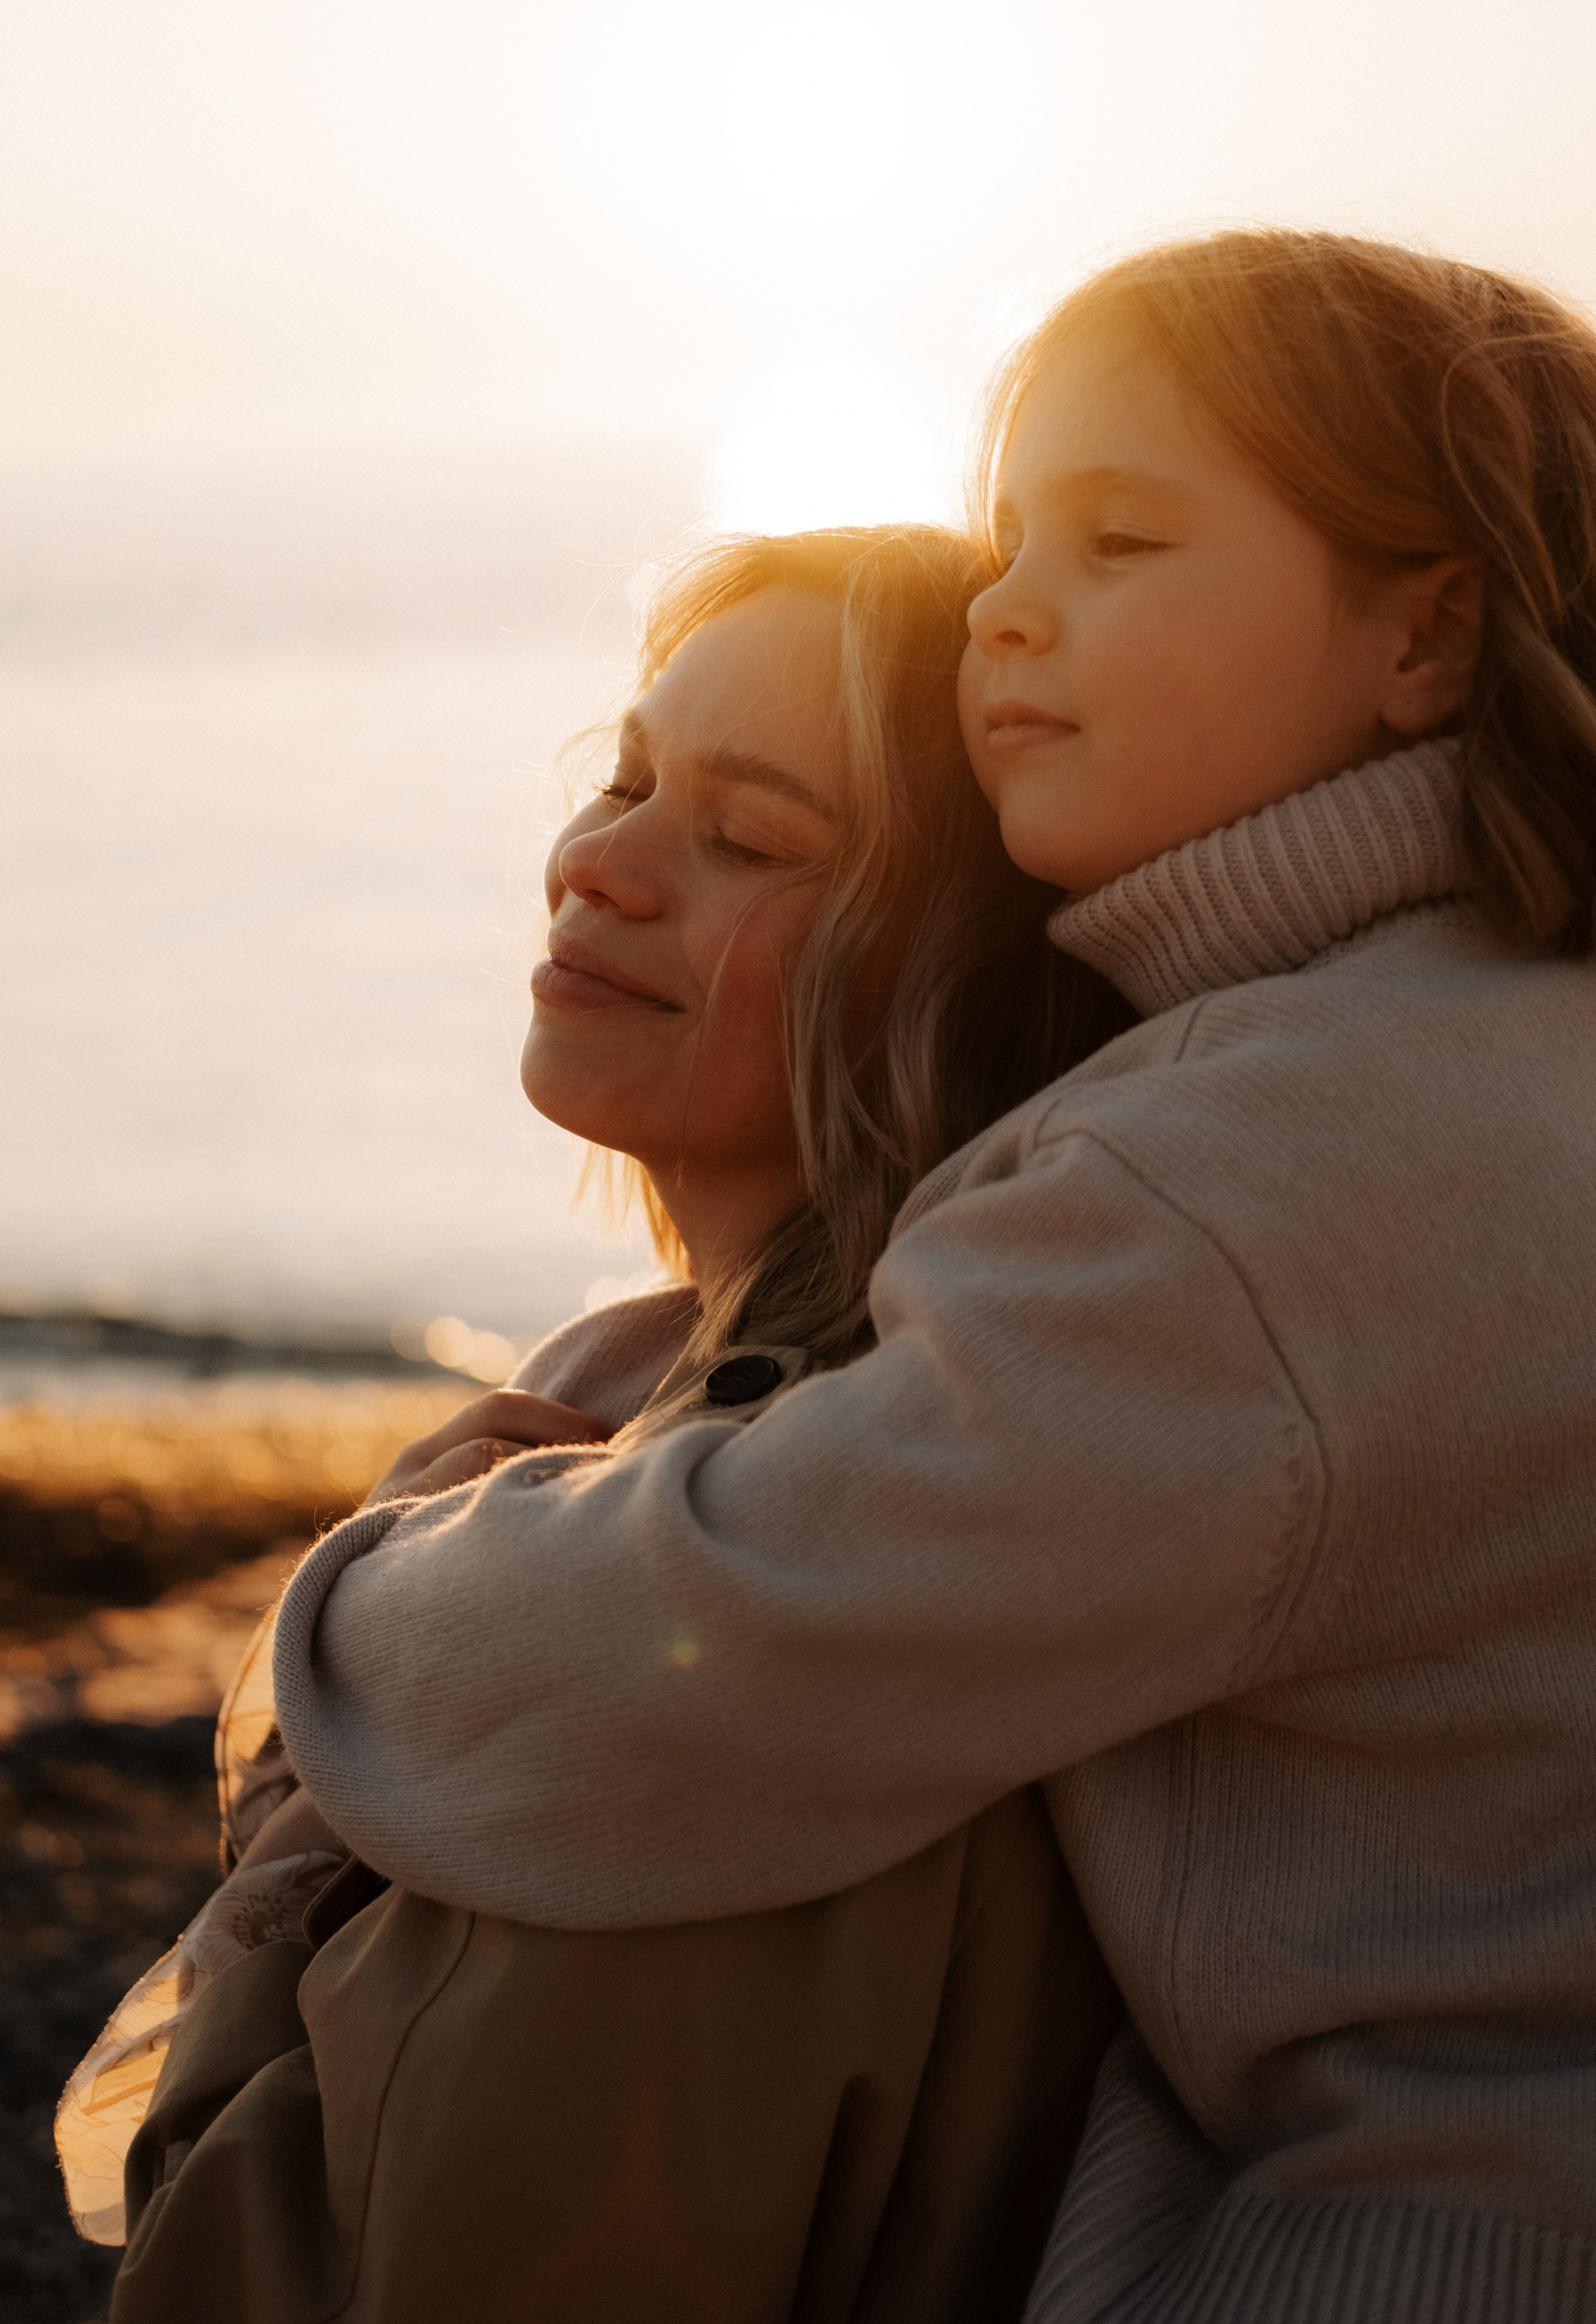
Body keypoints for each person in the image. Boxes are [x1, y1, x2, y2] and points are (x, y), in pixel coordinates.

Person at [257, 231, 1596, 2323]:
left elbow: (697, 1655)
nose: (1013, 609)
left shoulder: (1253, 1176)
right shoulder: (1489, 1041)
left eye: (1124, 538)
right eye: (1009, 541)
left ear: (1427, 633)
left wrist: (372, 1579)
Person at [90, 524, 1130, 2320]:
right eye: (629, 779)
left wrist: (316, 1762)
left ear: (960, 973)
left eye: (747, 839)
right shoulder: (631, 1409)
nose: (600, 866)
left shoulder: (747, 1594)